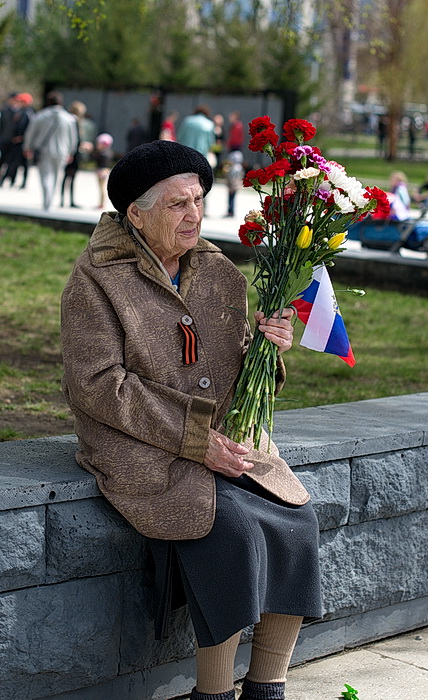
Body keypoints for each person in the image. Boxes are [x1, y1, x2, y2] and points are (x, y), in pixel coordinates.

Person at [60, 140, 322, 700]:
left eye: (199, 200)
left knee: (298, 524)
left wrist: (267, 351)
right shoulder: (95, 281)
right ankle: (214, 693)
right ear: (137, 213)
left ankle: (268, 686)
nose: (195, 215)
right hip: (142, 445)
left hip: (226, 439)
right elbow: (99, 385)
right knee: (230, 531)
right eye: (178, 204)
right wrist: (194, 439)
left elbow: (238, 365)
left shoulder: (219, 272)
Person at [23, 90, 78, 210]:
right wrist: (71, 152)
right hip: (62, 152)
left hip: (43, 151)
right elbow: (73, 138)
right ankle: (51, 201)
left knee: (45, 176)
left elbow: (30, 133)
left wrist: (27, 147)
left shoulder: (40, 116)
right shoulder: (69, 118)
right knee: (56, 177)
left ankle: (47, 202)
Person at [0, 92, 34, 189]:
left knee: (23, 163)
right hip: (15, 141)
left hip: (23, 142)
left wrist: (22, 137)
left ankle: (21, 182)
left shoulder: (28, 113)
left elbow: (29, 129)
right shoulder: (19, 111)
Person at [60, 100, 87, 208]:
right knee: (70, 177)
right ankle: (69, 200)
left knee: (66, 177)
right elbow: (75, 139)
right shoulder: (74, 121)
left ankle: (63, 199)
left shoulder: (67, 120)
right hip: (73, 153)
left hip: (69, 151)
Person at [93, 132, 114, 208]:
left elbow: (97, 160)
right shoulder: (108, 153)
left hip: (102, 171)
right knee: (102, 187)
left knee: (102, 187)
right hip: (104, 170)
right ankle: (101, 203)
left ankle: (102, 203)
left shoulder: (103, 153)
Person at [223, 150, 244, 217]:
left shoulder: (235, 168)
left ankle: (231, 211)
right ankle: (230, 211)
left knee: (231, 199)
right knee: (232, 199)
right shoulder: (239, 167)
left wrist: (231, 186)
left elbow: (233, 179)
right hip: (235, 186)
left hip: (233, 186)